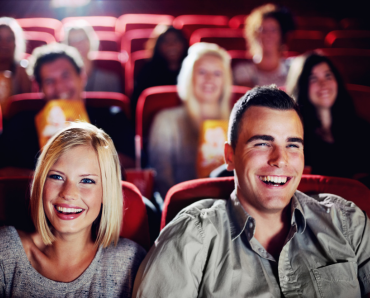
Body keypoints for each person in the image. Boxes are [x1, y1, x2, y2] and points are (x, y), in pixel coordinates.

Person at [133, 86, 370, 297]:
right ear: (229, 156)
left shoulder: (348, 223)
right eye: (262, 143)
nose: (280, 159)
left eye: (292, 145)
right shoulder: (190, 235)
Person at [0, 122, 146, 297]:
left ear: (106, 193)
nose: (68, 193)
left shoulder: (130, 262)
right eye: (57, 176)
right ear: (41, 184)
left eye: (87, 181)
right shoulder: (1, 251)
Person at [0, 43, 134, 175]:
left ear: (82, 77)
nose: (59, 87)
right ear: (40, 88)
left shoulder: (113, 117)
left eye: (66, 76)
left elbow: (133, 167)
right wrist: (41, 176)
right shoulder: (21, 122)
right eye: (49, 81)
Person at [148, 42, 232, 198]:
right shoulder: (166, 121)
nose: (209, 79)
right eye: (202, 72)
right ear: (189, 77)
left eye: (217, 73)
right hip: (182, 209)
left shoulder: (239, 122)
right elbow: (162, 180)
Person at [291, 53, 370, 179]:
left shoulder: (361, 128)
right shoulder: (294, 136)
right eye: (313, 79)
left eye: (328, 76)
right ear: (302, 86)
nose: (323, 84)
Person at [131, 26, 188, 119]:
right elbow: (136, 104)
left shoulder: (194, 70)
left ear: (184, 44)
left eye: (176, 40)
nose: (171, 45)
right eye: (166, 41)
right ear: (158, 46)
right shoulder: (147, 71)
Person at [233, 4, 295, 87]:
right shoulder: (243, 71)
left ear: (282, 34)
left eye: (273, 30)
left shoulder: (292, 69)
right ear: (255, 34)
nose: (268, 35)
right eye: (263, 30)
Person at [61, 19, 122, 93]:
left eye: (82, 38)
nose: (79, 43)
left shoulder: (110, 81)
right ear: (68, 45)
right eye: (74, 40)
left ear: (90, 41)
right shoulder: (62, 82)